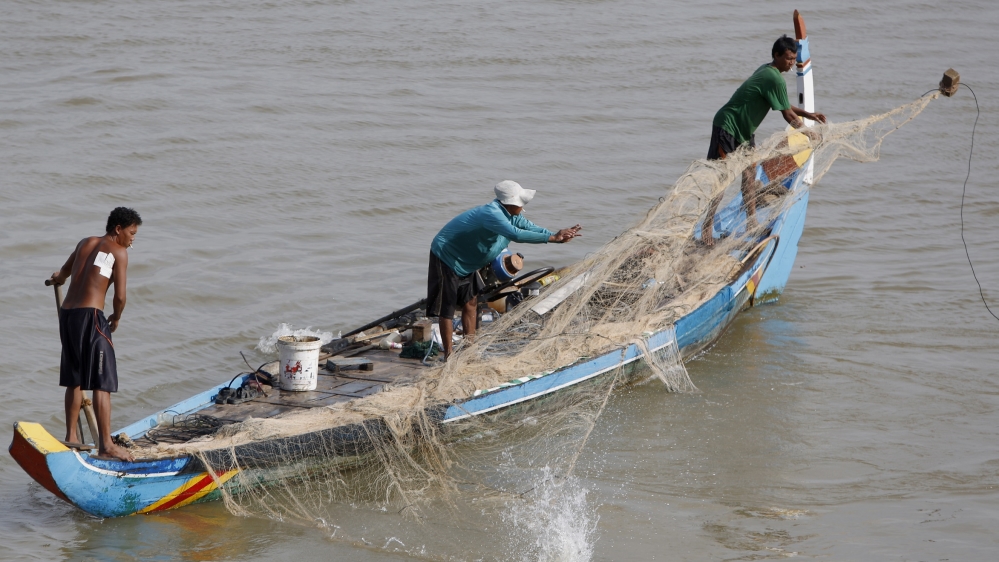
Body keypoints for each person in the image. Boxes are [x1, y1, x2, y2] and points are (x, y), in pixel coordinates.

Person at [428, 180, 580, 359]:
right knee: (447, 308)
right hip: (448, 257)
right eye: (521, 205)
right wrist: (552, 238)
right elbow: (516, 234)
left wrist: (556, 234)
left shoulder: (511, 215)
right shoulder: (492, 214)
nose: (522, 209)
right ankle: (449, 356)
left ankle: (469, 351)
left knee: (471, 303)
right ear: (511, 203)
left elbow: (528, 227)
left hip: (470, 261)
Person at [701, 34, 827, 246]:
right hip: (728, 127)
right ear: (776, 55)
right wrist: (808, 132)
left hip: (744, 131)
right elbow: (787, 114)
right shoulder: (773, 77)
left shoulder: (770, 71)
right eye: (788, 58)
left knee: (750, 174)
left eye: (793, 58)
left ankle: (752, 222)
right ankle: (706, 229)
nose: (791, 63)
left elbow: (785, 104)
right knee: (721, 180)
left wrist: (808, 114)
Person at [48, 207, 141, 461]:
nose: (133, 239)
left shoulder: (85, 243)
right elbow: (120, 296)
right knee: (103, 381)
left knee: (74, 377)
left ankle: (72, 438)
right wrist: (117, 316)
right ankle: (106, 446)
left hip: (68, 315)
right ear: (118, 229)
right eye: (132, 233)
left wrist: (57, 278)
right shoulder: (119, 252)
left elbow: (64, 273)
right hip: (91, 317)